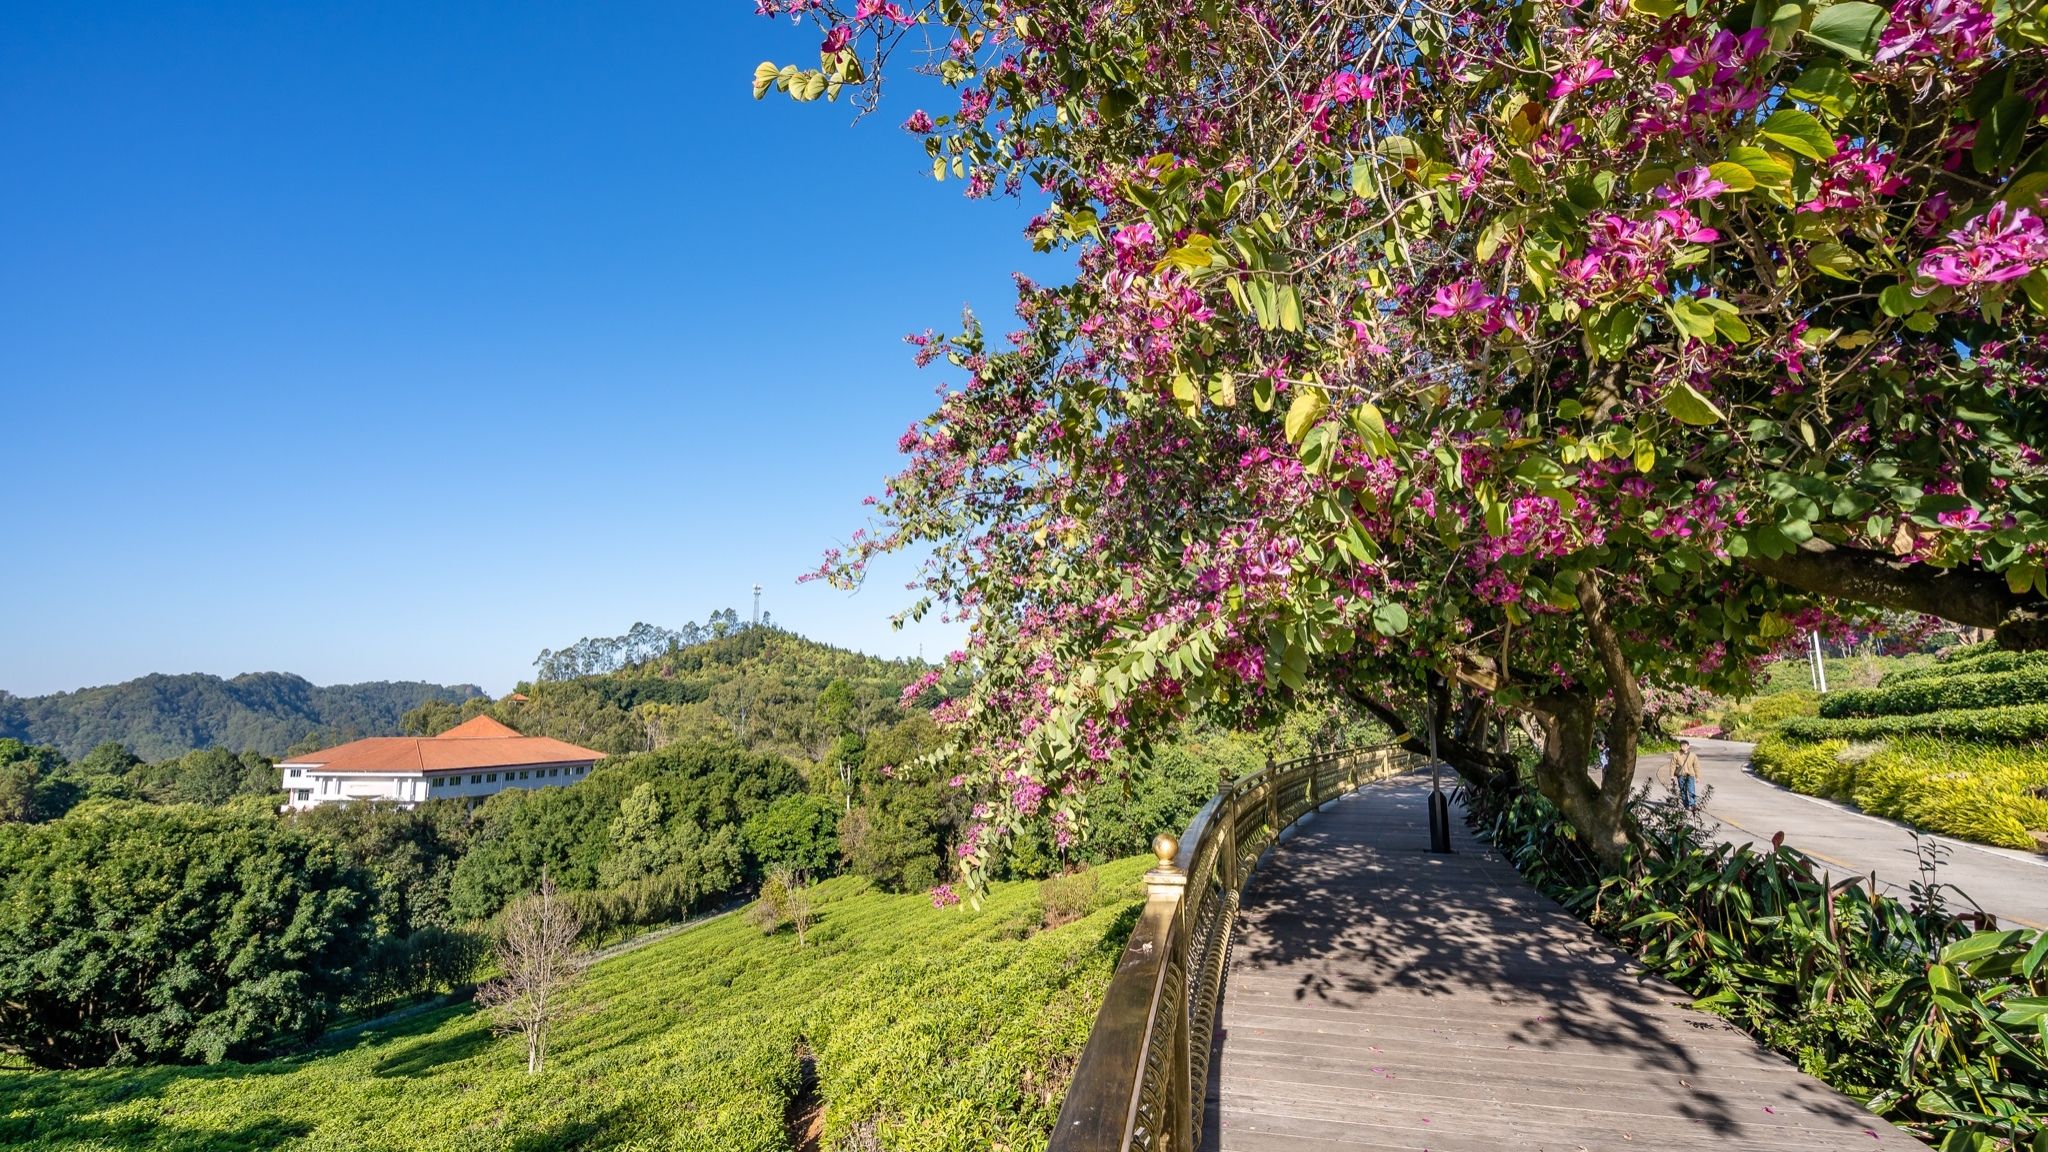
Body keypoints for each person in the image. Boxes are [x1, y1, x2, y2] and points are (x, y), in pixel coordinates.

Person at [1670, 740, 1702, 812]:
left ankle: (1693, 805)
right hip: (1681, 775)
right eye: (1682, 745)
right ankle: (1686, 805)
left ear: (1688, 746)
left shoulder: (1693, 755)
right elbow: (1672, 765)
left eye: (1685, 745)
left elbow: (1696, 766)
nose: (1683, 747)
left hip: (1690, 775)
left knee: (1691, 790)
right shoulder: (1676, 754)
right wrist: (1672, 775)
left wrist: (1698, 777)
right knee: (1683, 790)